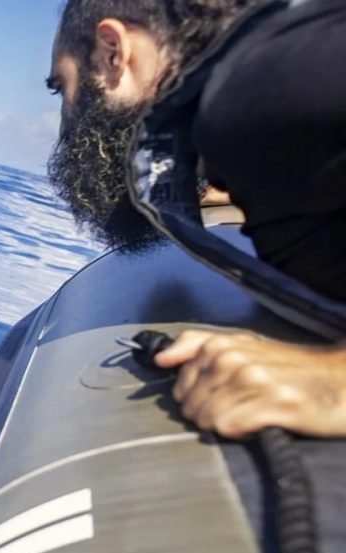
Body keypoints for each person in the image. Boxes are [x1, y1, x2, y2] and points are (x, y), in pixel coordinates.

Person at [46, 0, 346, 439]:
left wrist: (332, 383)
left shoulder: (257, 88)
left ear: (112, 53)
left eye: (62, 88)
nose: (64, 126)